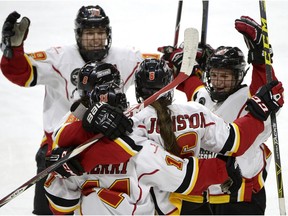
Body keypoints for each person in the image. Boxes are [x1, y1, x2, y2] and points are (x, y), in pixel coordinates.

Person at [45, 57, 283, 214]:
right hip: (191, 200)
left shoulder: (72, 140)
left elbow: (61, 203)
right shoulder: (136, 136)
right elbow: (186, 176)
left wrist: (66, 161)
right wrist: (257, 111)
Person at [0, 5, 143, 215]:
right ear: (78, 35)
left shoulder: (126, 57)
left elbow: (155, 71)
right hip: (60, 148)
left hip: (105, 145)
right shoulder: (59, 58)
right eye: (89, 33)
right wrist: (14, 50)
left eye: (100, 33)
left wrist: (180, 59)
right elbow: (22, 73)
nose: (95, 38)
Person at [159, 16, 281, 215]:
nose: (218, 81)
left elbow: (265, 87)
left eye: (225, 76)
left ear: (239, 76)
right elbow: (187, 81)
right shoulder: (203, 96)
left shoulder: (248, 98)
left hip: (241, 199)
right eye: (214, 75)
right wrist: (179, 61)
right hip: (203, 199)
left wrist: (260, 58)